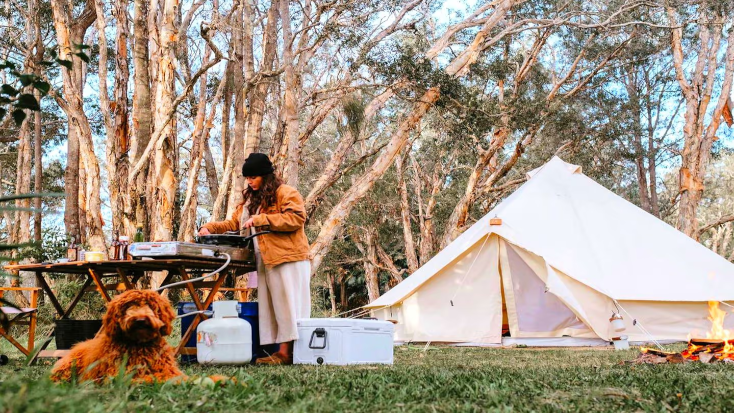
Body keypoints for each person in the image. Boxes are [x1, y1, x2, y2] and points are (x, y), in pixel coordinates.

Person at [198, 153, 311, 365]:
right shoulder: (251, 200)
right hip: (265, 259)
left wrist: (262, 219)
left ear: (265, 176)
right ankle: (278, 351)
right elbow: (233, 224)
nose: (249, 181)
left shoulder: (286, 192)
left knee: (288, 305)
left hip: (288, 257)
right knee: (272, 306)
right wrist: (209, 228)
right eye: (247, 178)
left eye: (253, 177)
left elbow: (296, 218)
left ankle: (286, 354)